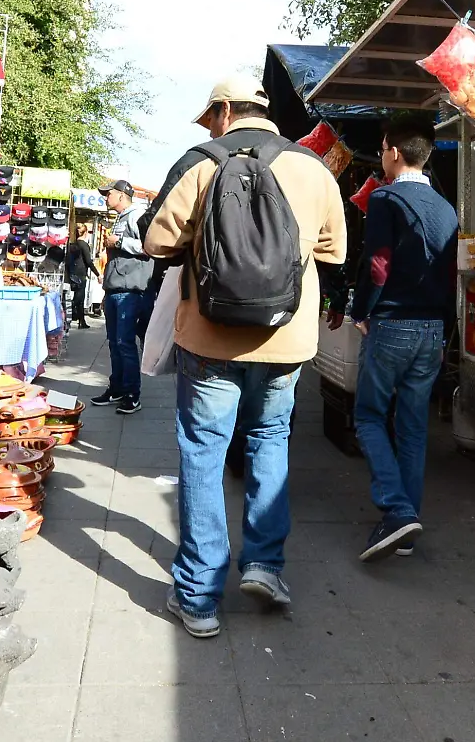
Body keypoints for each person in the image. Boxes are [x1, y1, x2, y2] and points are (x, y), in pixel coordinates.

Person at [142, 73, 347, 639]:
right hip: (286, 340)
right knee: (269, 442)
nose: (210, 127)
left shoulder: (199, 162)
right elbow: (336, 249)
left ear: (226, 110)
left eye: (211, 117)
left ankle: (199, 598)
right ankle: (264, 566)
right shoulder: (312, 168)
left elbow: (154, 240)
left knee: (204, 454)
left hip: (210, 338)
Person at [349, 115, 459, 561]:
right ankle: (407, 530)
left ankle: (396, 511)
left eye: (381, 150)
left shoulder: (386, 199)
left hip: (392, 323)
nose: (381, 157)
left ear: (394, 152)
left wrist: (362, 311)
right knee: (413, 427)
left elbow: (377, 264)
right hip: (433, 329)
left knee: (370, 417)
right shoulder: (447, 208)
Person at [93, 179, 154, 414]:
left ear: (122, 195)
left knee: (124, 344)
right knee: (115, 344)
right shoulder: (121, 217)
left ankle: (131, 394)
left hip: (131, 291)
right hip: (116, 289)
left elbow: (150, 247)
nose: (105, 198)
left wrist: (119, 241)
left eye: (109, 194)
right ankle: (117, 388)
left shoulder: (137, 215)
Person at [65, 224, 95, 329]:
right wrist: (97, 274)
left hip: (72, 272)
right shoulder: (84, 245)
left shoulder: (72, 244)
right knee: (78, 298)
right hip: (81, 274)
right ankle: (65, 314)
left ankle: (82, 321)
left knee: (80, 299)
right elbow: (88, 261)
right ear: (86, 233)